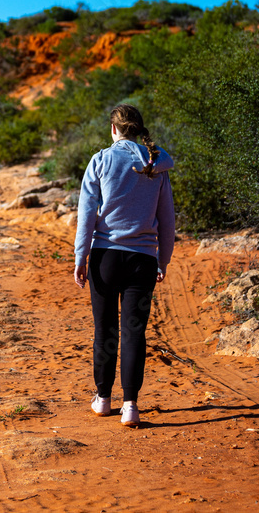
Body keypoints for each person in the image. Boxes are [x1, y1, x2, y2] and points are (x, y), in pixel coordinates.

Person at [73, 104, 175, 428]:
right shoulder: (155, 162)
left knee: (105, 329)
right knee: (134, 332)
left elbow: (87, 214)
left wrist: (81, 257)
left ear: (114, 130)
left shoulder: (101, 159)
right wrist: (164, 259)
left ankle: (103, 400)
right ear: (139, 129)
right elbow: (167, 220)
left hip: (105, 257)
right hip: (142, 260)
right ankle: (130, 406)